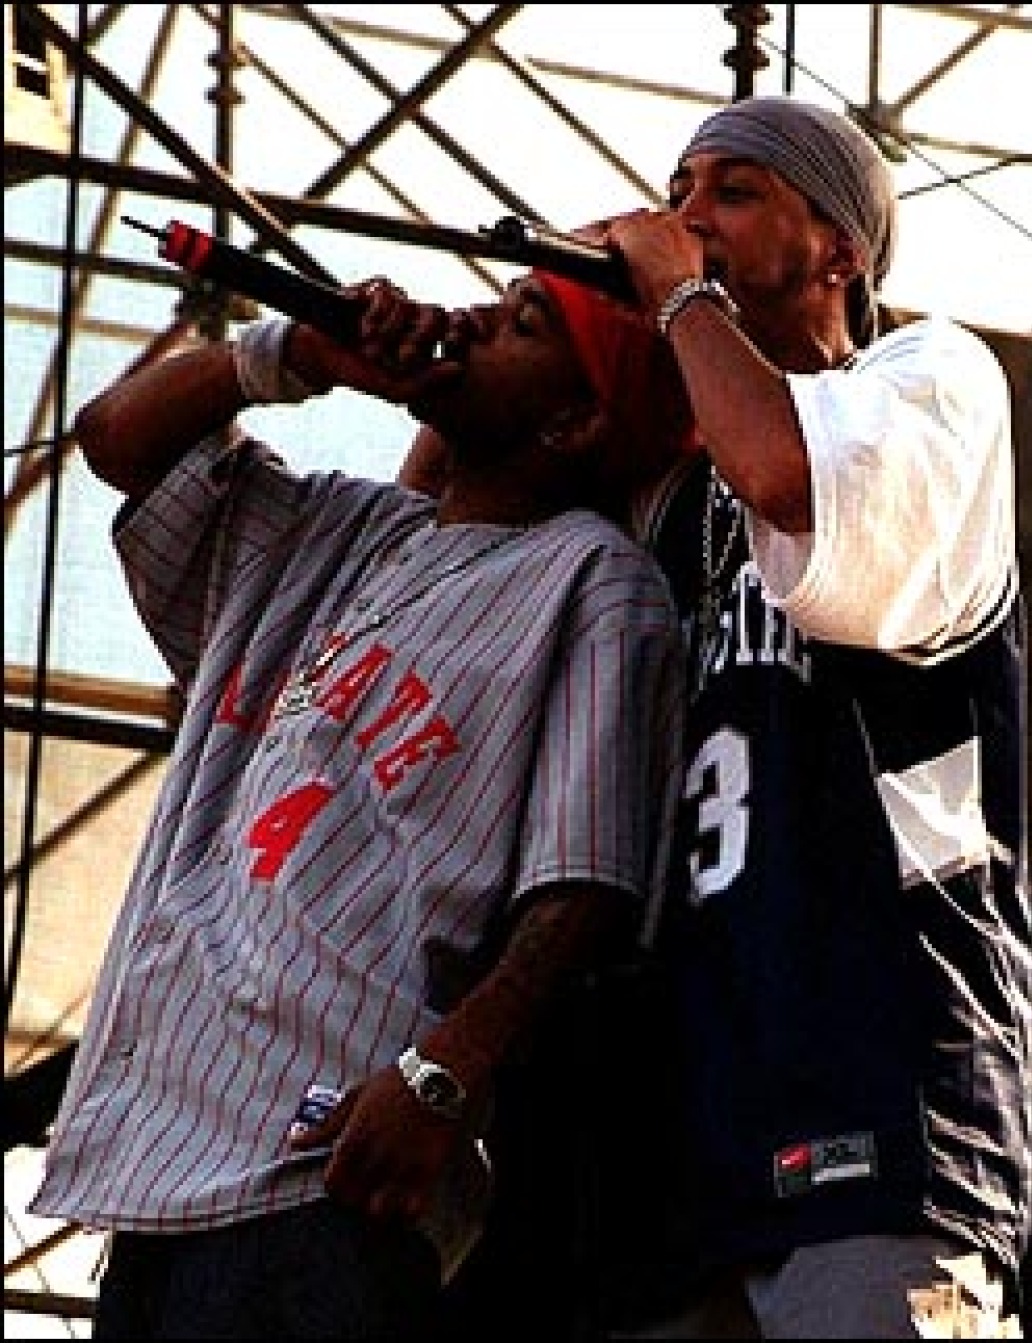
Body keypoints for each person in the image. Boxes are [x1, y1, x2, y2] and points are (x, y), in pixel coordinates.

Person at [403, 95, 1032, 1340]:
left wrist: (679, 297)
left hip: (882, 1079)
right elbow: (446, 538)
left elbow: (793, 477)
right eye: (677, 192)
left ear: (840, 248)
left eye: (733, 193)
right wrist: (435, 381)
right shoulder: (671, 504)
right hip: (691, 1131)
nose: (688, 217)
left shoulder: (928, 382)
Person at [27, 268, 692, 1340]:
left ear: (572, 420)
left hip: (326, 1167)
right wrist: (292, 354)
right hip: (156, 1163)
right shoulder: (338, 526)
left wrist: (443, 1071)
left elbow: (587, 878)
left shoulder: (593, 579)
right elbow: (116, 442)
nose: (470, 317)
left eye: (521, 325)